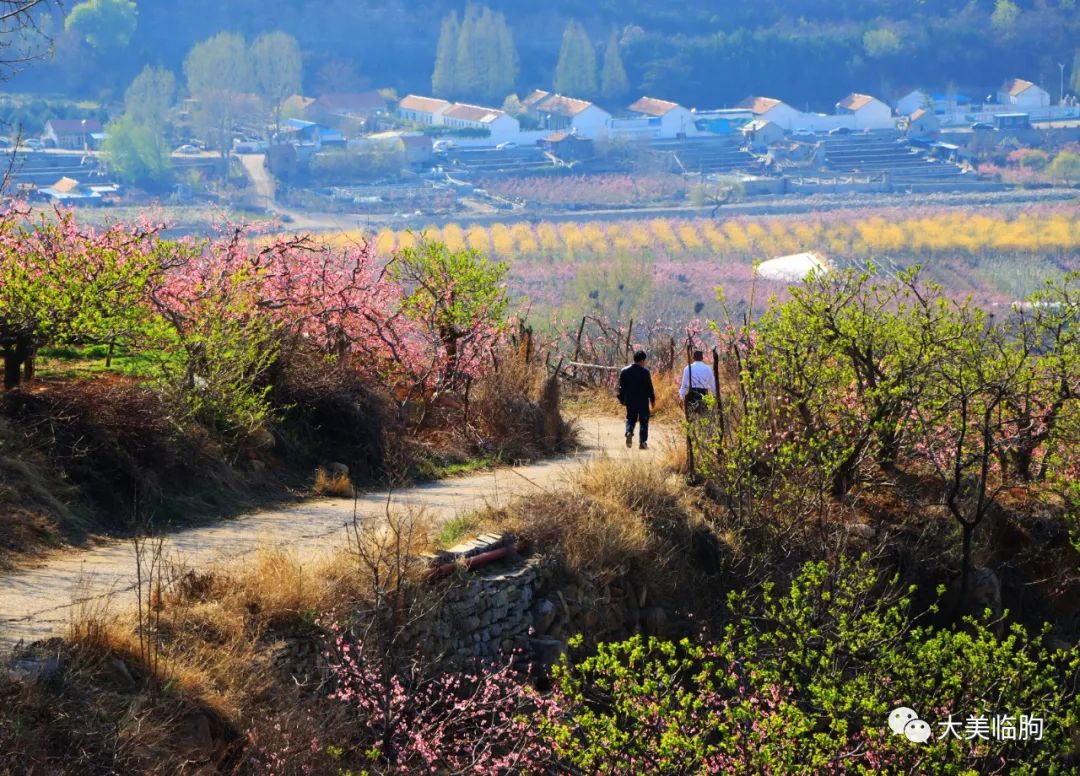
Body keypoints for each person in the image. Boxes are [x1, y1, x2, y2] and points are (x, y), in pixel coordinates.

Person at [618, 350, 655, 449]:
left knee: (631, 419)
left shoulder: (624, 371)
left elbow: (621, 388)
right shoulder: (645, 372)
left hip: (630, 400)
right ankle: (642, 443)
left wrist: (622, 400)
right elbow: (649, 387)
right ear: (642, 360)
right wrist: (652, 400)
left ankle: (629, 432)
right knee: (644, 421)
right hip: (643, 400)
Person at [679, 349, 713, 416]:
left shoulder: (687, 368)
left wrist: (681, 397)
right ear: (702, 358)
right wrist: (715, 396)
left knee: (690, 418)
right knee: (705, 418)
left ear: (693, 358)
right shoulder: (708, 368)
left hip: (692, 394)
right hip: (704, 395)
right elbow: (712, 384)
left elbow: (684, 385)